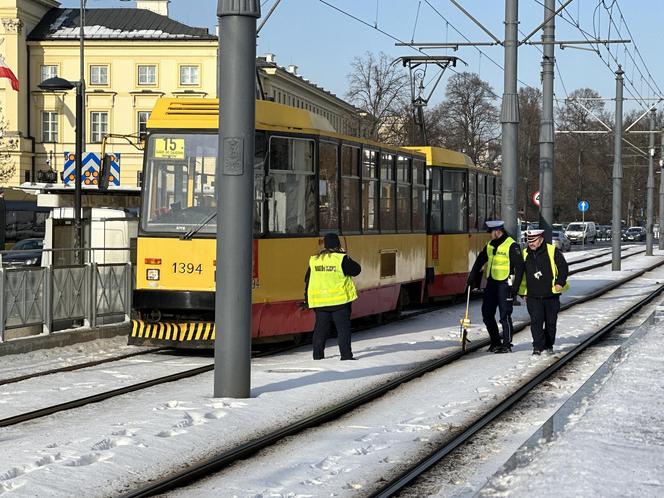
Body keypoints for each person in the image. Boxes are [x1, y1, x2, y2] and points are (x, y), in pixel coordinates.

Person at [467, 220, 525, 353]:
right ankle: (495, 342)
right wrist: (472, 277)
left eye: (491, 232)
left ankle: (507, 344)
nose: (489, 235)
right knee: (487, 313)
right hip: (492, 283)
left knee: (505, 315)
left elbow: (520, 267)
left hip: (505, 284)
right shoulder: (490, 245)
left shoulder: (512, 245)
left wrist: (515, 288)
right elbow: (480, 260)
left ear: (498, 231)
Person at [304, 233, 362, 360]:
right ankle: (346, 356)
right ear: (338, 244)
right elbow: (356, 270)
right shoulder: (341, 259)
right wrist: (345, 255)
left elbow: (307, 280)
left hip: (320, 303)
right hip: (340, 302)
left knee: (320, 330)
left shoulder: (315, 260)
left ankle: (318, 356)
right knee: (343, 330)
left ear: (325, 245)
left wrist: (306, 299)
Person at [518, 229, 569, 355]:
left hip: (551, 295)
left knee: (551, 323)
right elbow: (520, 275)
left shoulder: (552, 251)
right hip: (533, 296)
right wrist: (522, 292)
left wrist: (559, 283)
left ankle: (548, 345)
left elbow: (563, 268)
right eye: (529, 241)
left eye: (533, 241)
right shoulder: (524, 254)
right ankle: (537, 346)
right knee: (536, 322)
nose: (531, 243)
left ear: (540, 239)